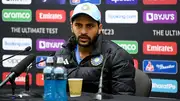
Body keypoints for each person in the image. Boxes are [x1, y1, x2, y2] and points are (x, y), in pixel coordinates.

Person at [55, 2, 136, 95]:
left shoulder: (117, 56)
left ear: (99, 28)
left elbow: (124, 98)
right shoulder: (60, 55)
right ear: (72, 27)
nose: (83, 31)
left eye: (89, 26)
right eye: (78, 25)